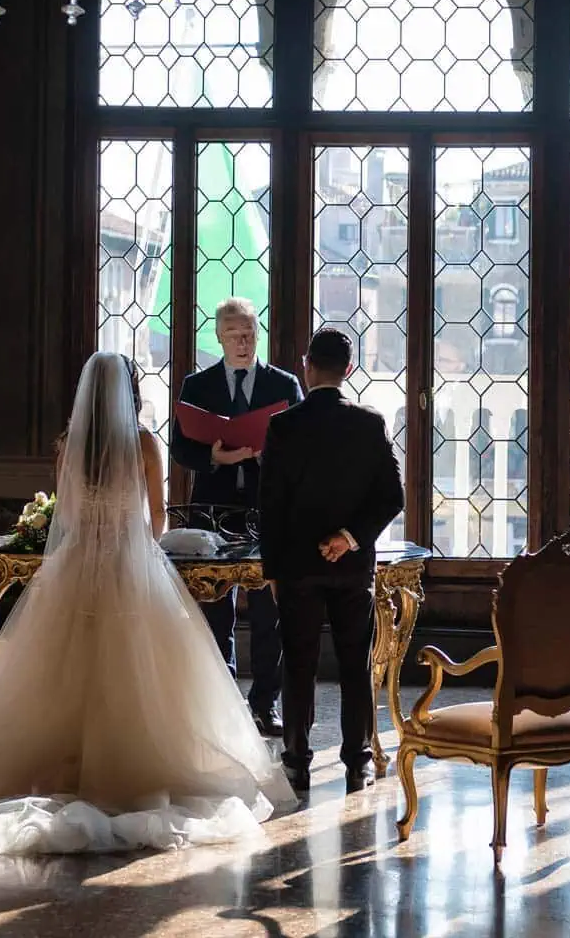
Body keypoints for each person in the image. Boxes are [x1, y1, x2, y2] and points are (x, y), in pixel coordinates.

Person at [0, 351, 292, 855]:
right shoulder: (143, 443)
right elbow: (156, 518)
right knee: (138, 667)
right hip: (129, 563)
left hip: (77, 563)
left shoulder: (69, 446)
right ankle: (132, 762)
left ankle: (62, 763)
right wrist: (137, 546)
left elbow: (66, 514)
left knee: (65, 666)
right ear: (128, 392)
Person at [257, 327, 404, 795]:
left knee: (298, 665)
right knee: (355, 664)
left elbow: (270, 508)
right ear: (348, 370)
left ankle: (297, 763)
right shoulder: (370, 423)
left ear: (307, 365)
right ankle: (357, 762)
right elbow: (393, 497)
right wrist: (349, 538)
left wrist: (273, 570)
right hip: (352, 568)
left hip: (297, 568)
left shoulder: (283, 426)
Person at [168, 297, 302, 736]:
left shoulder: (283, 384)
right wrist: (214, 457)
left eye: (248, 334)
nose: (242, 343)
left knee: (267, 614)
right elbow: (180, 447)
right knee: (214, 613)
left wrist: (271, 456)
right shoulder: (197, 385)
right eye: (233, 335)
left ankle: (266, 704)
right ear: (219, 338)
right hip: (213, 509)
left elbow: (304, 447)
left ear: (257, 334)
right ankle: (220, 705)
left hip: (267, 512)